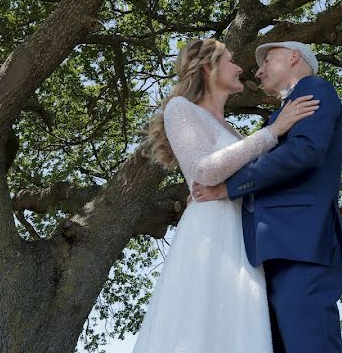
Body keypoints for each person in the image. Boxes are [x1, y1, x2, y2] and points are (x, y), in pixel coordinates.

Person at [133, 38, 319, 352]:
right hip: (208, 230)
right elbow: (204, 171)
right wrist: (272, 133)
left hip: (243, 235)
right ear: (209, 67)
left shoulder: (234, 131)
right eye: (232, 60)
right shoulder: (181, 109)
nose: (240, 68)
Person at [192, 41, 342, 353]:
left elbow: (304, 151)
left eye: (267, 60)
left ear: (294, 57)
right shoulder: (279, 116)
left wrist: (228, 188)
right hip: (272, 251)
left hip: (302, 245)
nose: (259, 70)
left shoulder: (314, 88)